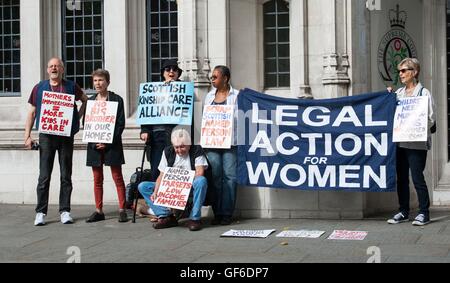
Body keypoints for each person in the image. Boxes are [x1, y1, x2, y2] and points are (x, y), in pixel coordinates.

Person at [24, 57, 88, 226]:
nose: (54, 68)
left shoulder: (71, 86)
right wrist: (27, 136)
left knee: (66, 175)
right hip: (46, 137)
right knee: (44, 176)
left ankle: (65, 211)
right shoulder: (39, 88)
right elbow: (32, 112)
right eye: (51, 66)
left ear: (62, 69)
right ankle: (40, 212)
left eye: (57, 66)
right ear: (47, 70)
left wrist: (76, 118)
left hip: (66, 136)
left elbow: (85, 100)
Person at [387, 58, 436, 226]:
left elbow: (431, 118)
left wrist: (415, 125)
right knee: (401, 178)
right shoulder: (398, 94)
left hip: (417, 144)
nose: (400, 74)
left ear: (414, 72)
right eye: (399, 71)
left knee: (417, 177)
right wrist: (387, 96)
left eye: (404, 70)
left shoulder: (424, 93)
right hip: (401, 143)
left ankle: (424, 212)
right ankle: (403, 211)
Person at [138, 128, 209, 231]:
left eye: (182, 147)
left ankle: (195, 218)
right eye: (176, 147)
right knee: (143, 186)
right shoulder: (167, 152)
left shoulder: (197, 150)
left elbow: (199, 172)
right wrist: (156, 191)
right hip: (172, 187)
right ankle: (165, 216)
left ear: (189, 145)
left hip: (190, 186)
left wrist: (182, 180)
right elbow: (161, 175)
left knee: (201, 180)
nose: (179, 150)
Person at [84, 69, 128, 223]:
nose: (98, 83)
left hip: (112, 145)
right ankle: (98, 210)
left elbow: (120, 124)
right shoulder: (90, 101)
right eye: (95, 80)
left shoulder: (117, 100)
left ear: (107, 82)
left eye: (101, 80)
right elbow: (87, 124)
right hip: (94, 146)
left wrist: (107, 141)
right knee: (97, 179)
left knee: (117, 177)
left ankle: (122, 209)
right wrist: (96, 140)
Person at [203, 65, 239, 225]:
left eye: (215, 77)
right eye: (212, 77)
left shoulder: (237, 96)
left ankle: (227, 213)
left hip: (231, 143)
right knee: (216, 178)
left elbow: (242, 119)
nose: (212, 79)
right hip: (212, 144)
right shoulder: (209, 96)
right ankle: (217, 213)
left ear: (225, 78)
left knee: (230, 178)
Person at [140, 59, 183, 182]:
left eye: (174, 69)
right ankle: (156, 198)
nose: (171, 72)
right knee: (156, 169)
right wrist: (144, 130)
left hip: (177, 136)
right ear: (163, 73)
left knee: (175, 170)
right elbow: (146, 111)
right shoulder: (154, 90)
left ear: (178, 73)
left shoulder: (185, 90)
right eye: (167, 69)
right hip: (157, 136)